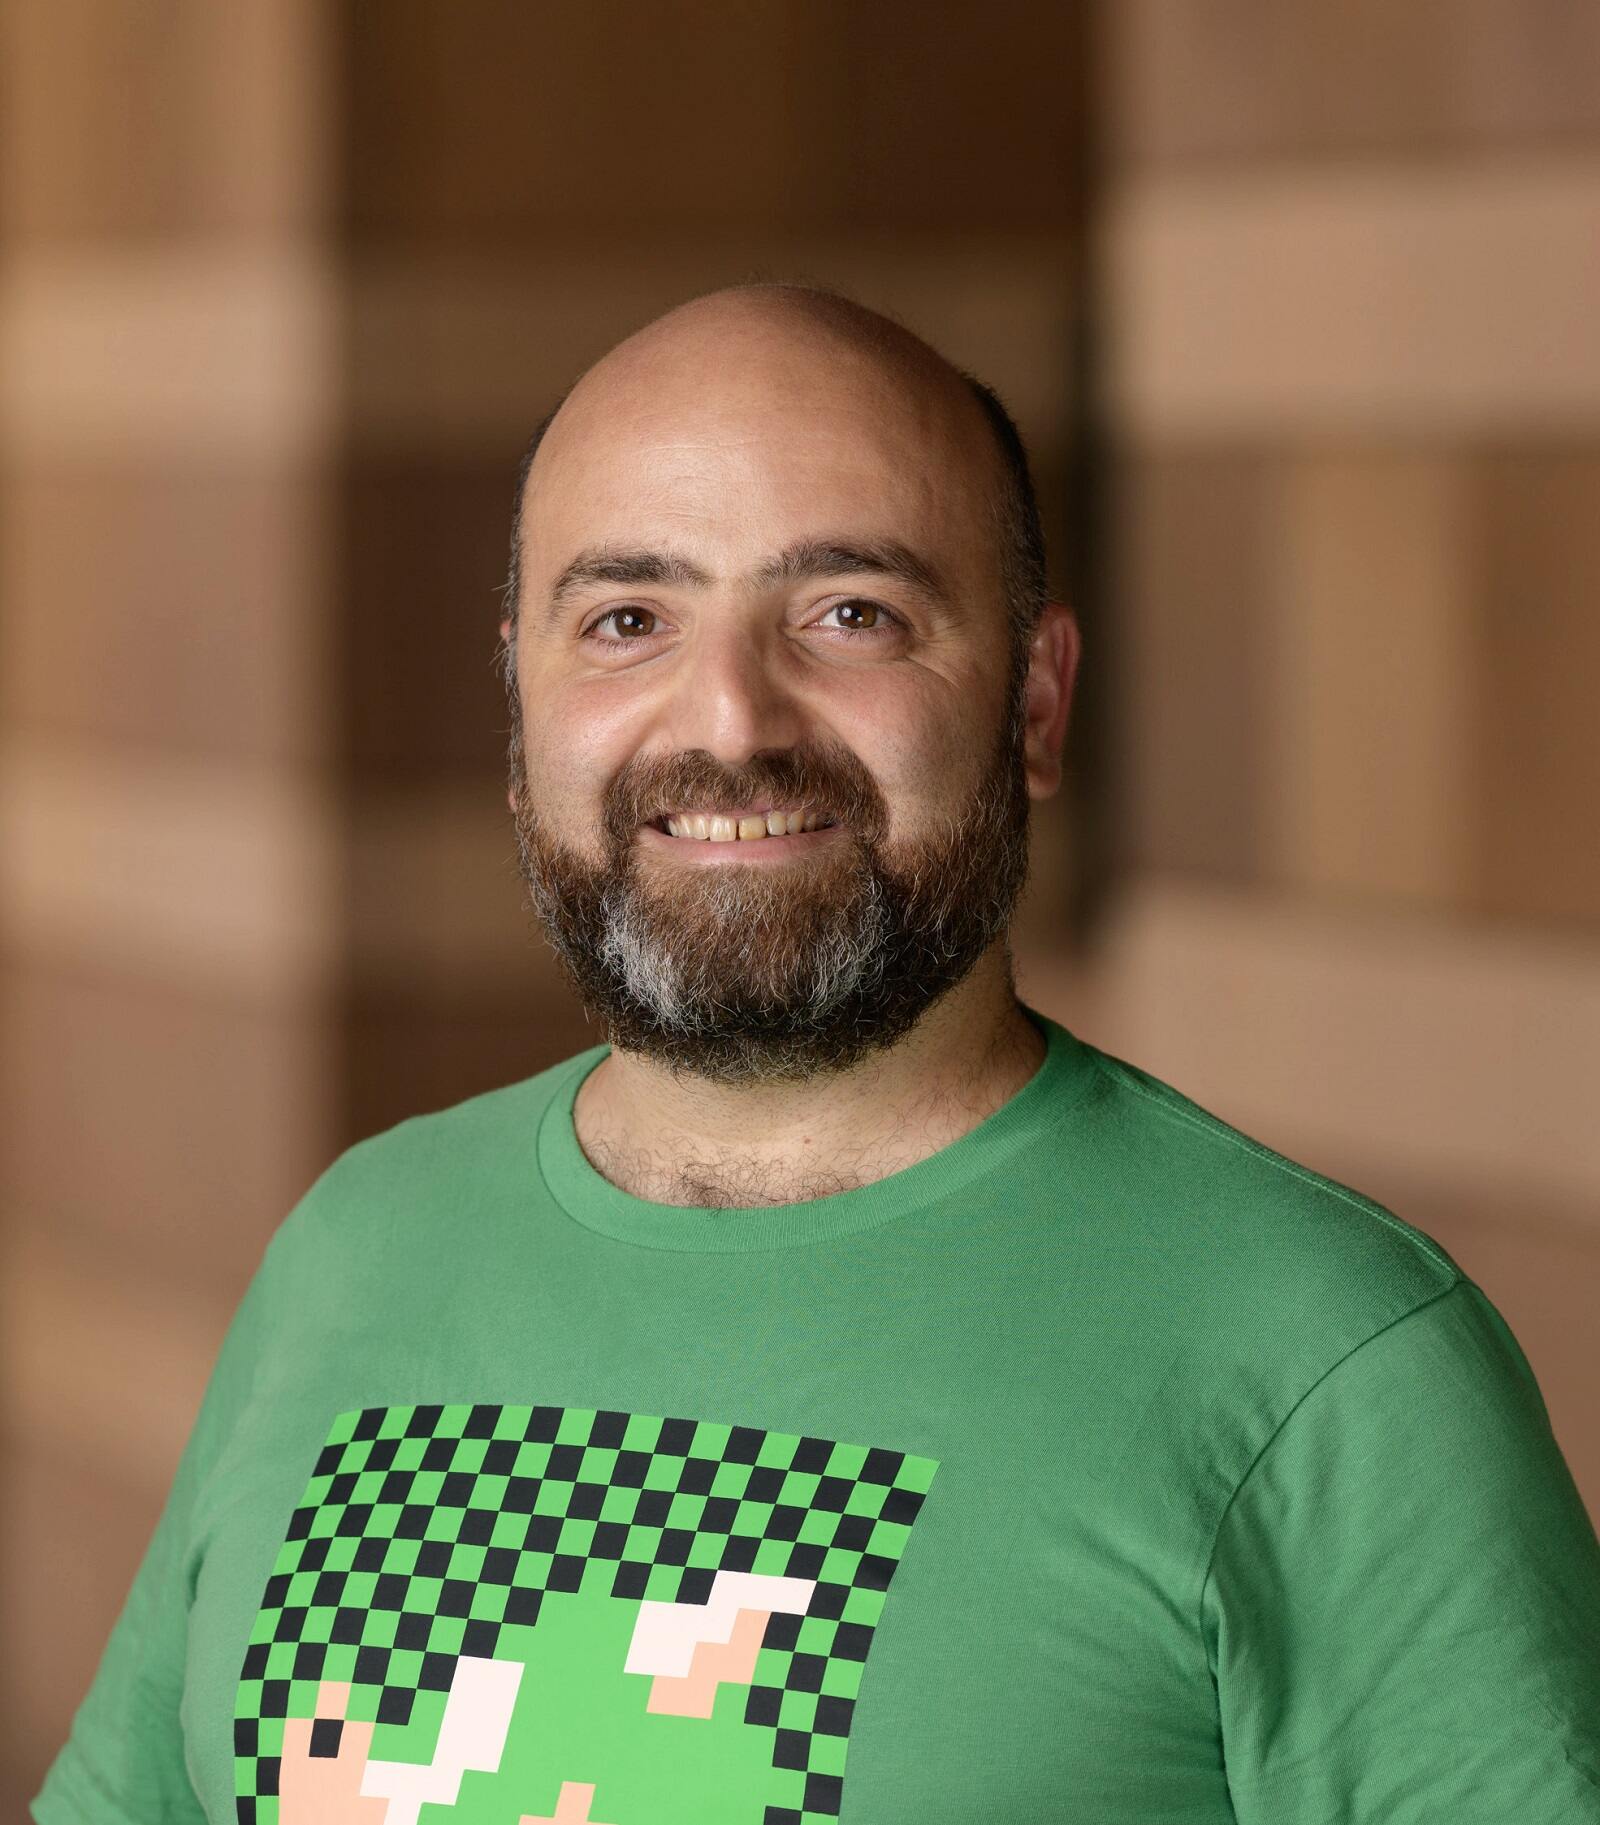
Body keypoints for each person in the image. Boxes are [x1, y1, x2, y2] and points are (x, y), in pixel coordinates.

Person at [34, 283, 1600, 1825]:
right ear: (524, 704)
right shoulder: (358, 1247)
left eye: (851, 613)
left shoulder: (1329, 1368)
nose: (729, 718)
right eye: (628, 619)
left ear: (1035, 703)